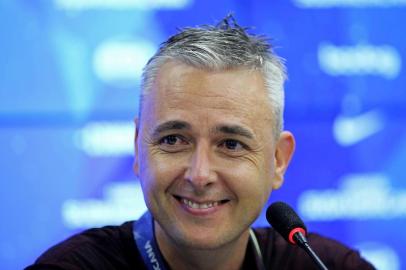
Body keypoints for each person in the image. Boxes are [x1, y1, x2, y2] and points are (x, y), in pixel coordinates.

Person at [26, 15, 375, 270]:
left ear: (278, 160)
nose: (200, 174)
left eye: (231, 144)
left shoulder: (328, 266)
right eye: (174, 139)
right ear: (137, 148)